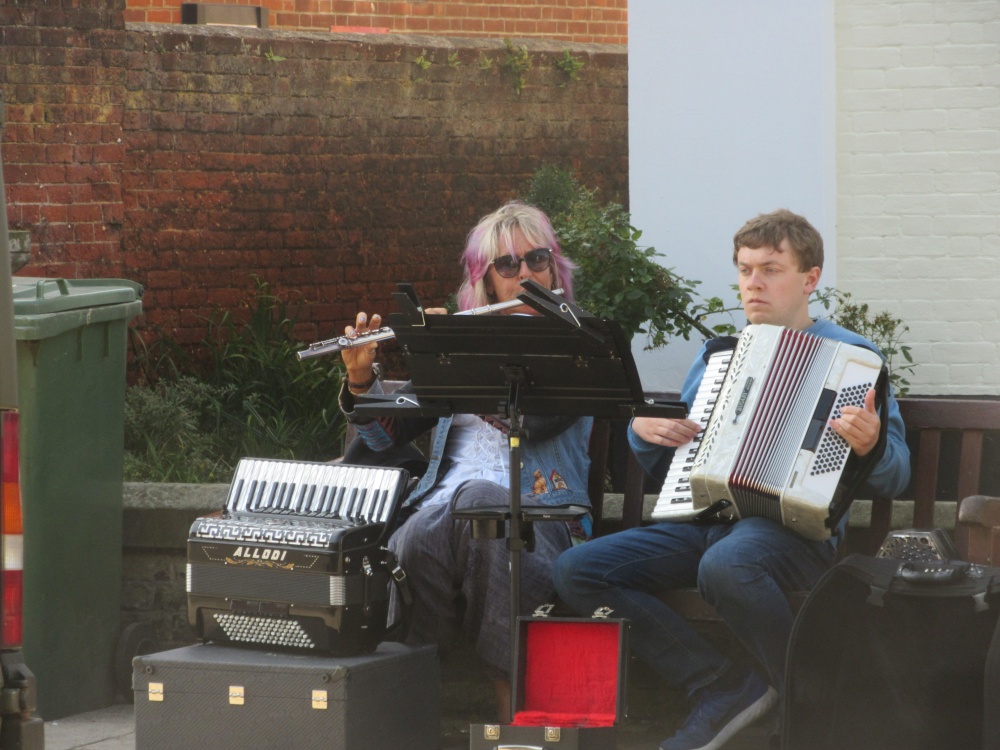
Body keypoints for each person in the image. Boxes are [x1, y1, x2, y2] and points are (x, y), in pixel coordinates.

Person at [553, 209, 911, 750]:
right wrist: (646, 434)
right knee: (579, 569)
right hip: (708, 522)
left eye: (770, 269)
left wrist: (871, 445)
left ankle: (813, 707)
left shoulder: (854, 357)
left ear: (810, 278)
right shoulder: (719, 355)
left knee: (727, 563)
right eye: (745, 270)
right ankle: (723, 687)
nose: (753, 283)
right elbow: (680, 473)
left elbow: (896, 475)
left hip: (793, 532)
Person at [338, 201, 593, 721]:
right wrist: (363, 381)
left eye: (536, 259)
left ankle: (510, 703)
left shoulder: (580, 342)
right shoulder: (462, 341)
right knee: (417, 533)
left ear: (553, 266)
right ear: (487, 281)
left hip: (543, 516)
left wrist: (458, 361)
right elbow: (387, 437)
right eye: (507, 265)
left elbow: (539, 421)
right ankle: (415, 689)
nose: (525, 274)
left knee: (481, 508)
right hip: (445, 514)